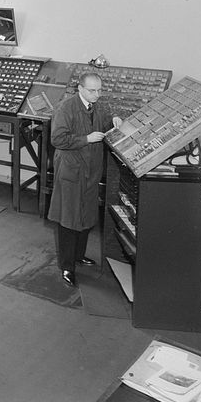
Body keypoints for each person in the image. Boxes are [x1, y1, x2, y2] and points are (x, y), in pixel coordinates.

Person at [48, 72, 123, 287]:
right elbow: (58, 139)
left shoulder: (97, 106)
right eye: (92, 90)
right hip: (72, 171)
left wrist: (114, 120)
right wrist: (86, 139)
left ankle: (79, 256)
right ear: (79, 88)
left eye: (99, 90)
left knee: (87, 216)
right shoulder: (66, 108)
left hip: (91, 171)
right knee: (69, 220)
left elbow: (105, 123)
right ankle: (66, 267)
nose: (97, 94)